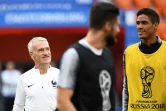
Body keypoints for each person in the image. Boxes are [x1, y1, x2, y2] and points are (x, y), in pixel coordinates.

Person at [57, 2, 120, 111]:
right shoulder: (73, 54)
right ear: (108, 26)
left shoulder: (107, 54)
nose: (118, 30)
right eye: (116, 25)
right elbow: (62, 101)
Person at [122, 8, 166, 111]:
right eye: (138, 23)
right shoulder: (128, 52)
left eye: (144, 23)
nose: (139, 27)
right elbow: (126, 89)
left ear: (155, 25)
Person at [13, 37, 60, 111]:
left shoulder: (60, 75)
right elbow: (18, 106)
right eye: (41, 50)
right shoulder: (24, 78)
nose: (46, 53)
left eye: (47, 49)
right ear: (32, 55)